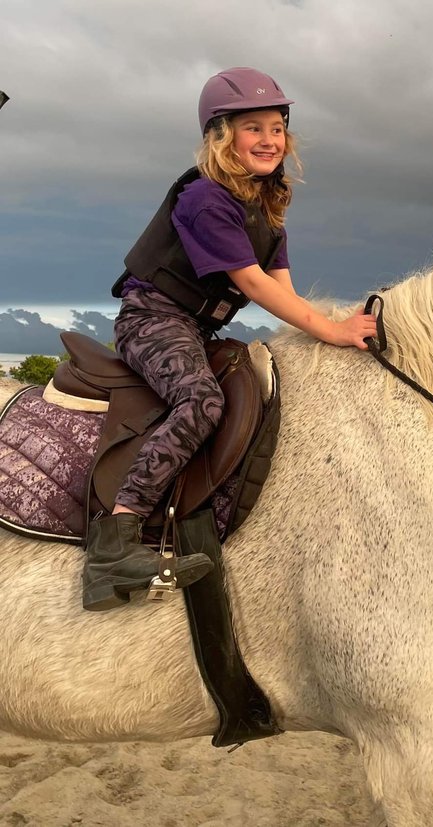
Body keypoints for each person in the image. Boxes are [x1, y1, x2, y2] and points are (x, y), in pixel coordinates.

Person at [83, 67, 377, 612]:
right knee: (201, 400)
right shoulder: (205, 199)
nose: (269, 140)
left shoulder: (267, 216)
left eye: (277, 128)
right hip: (152, 319)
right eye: (253, 128)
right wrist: (333, 330)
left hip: (196, 327)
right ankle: (115, 538)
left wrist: (335, 327)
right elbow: (253, 285)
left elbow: (286, 295)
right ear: (223, 137)